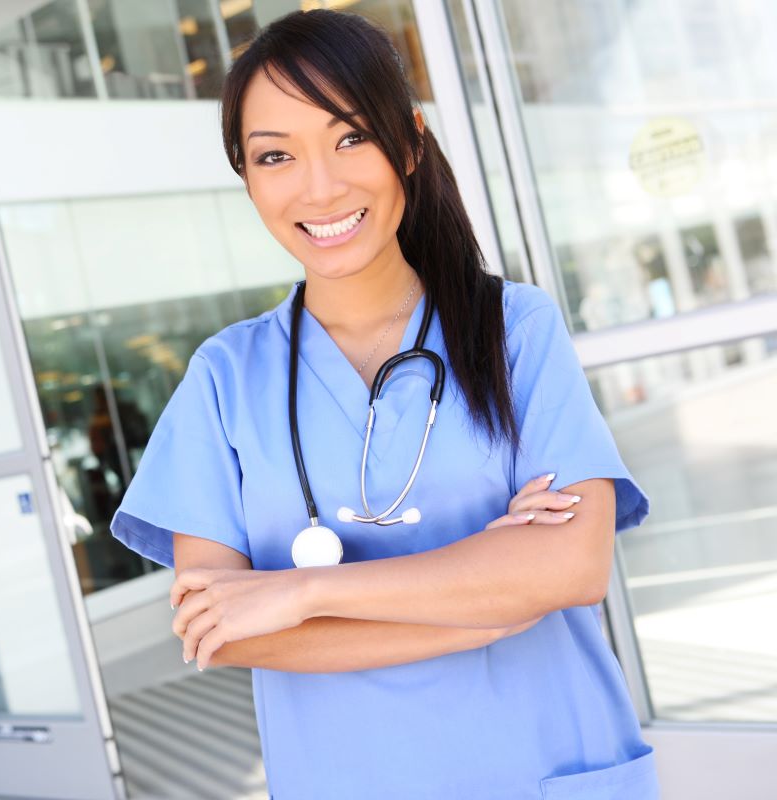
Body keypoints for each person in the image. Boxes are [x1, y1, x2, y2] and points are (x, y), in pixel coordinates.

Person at [109, 9, 658, 800]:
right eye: (275, 156)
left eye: (351, 138)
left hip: (542, 765)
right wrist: (486, 603)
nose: (320, 185)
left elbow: (571, 564)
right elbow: (218, 631)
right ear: (248, 177)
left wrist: (302, 593)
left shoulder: (515, 327)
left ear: (408, 142)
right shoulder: (225, 378)